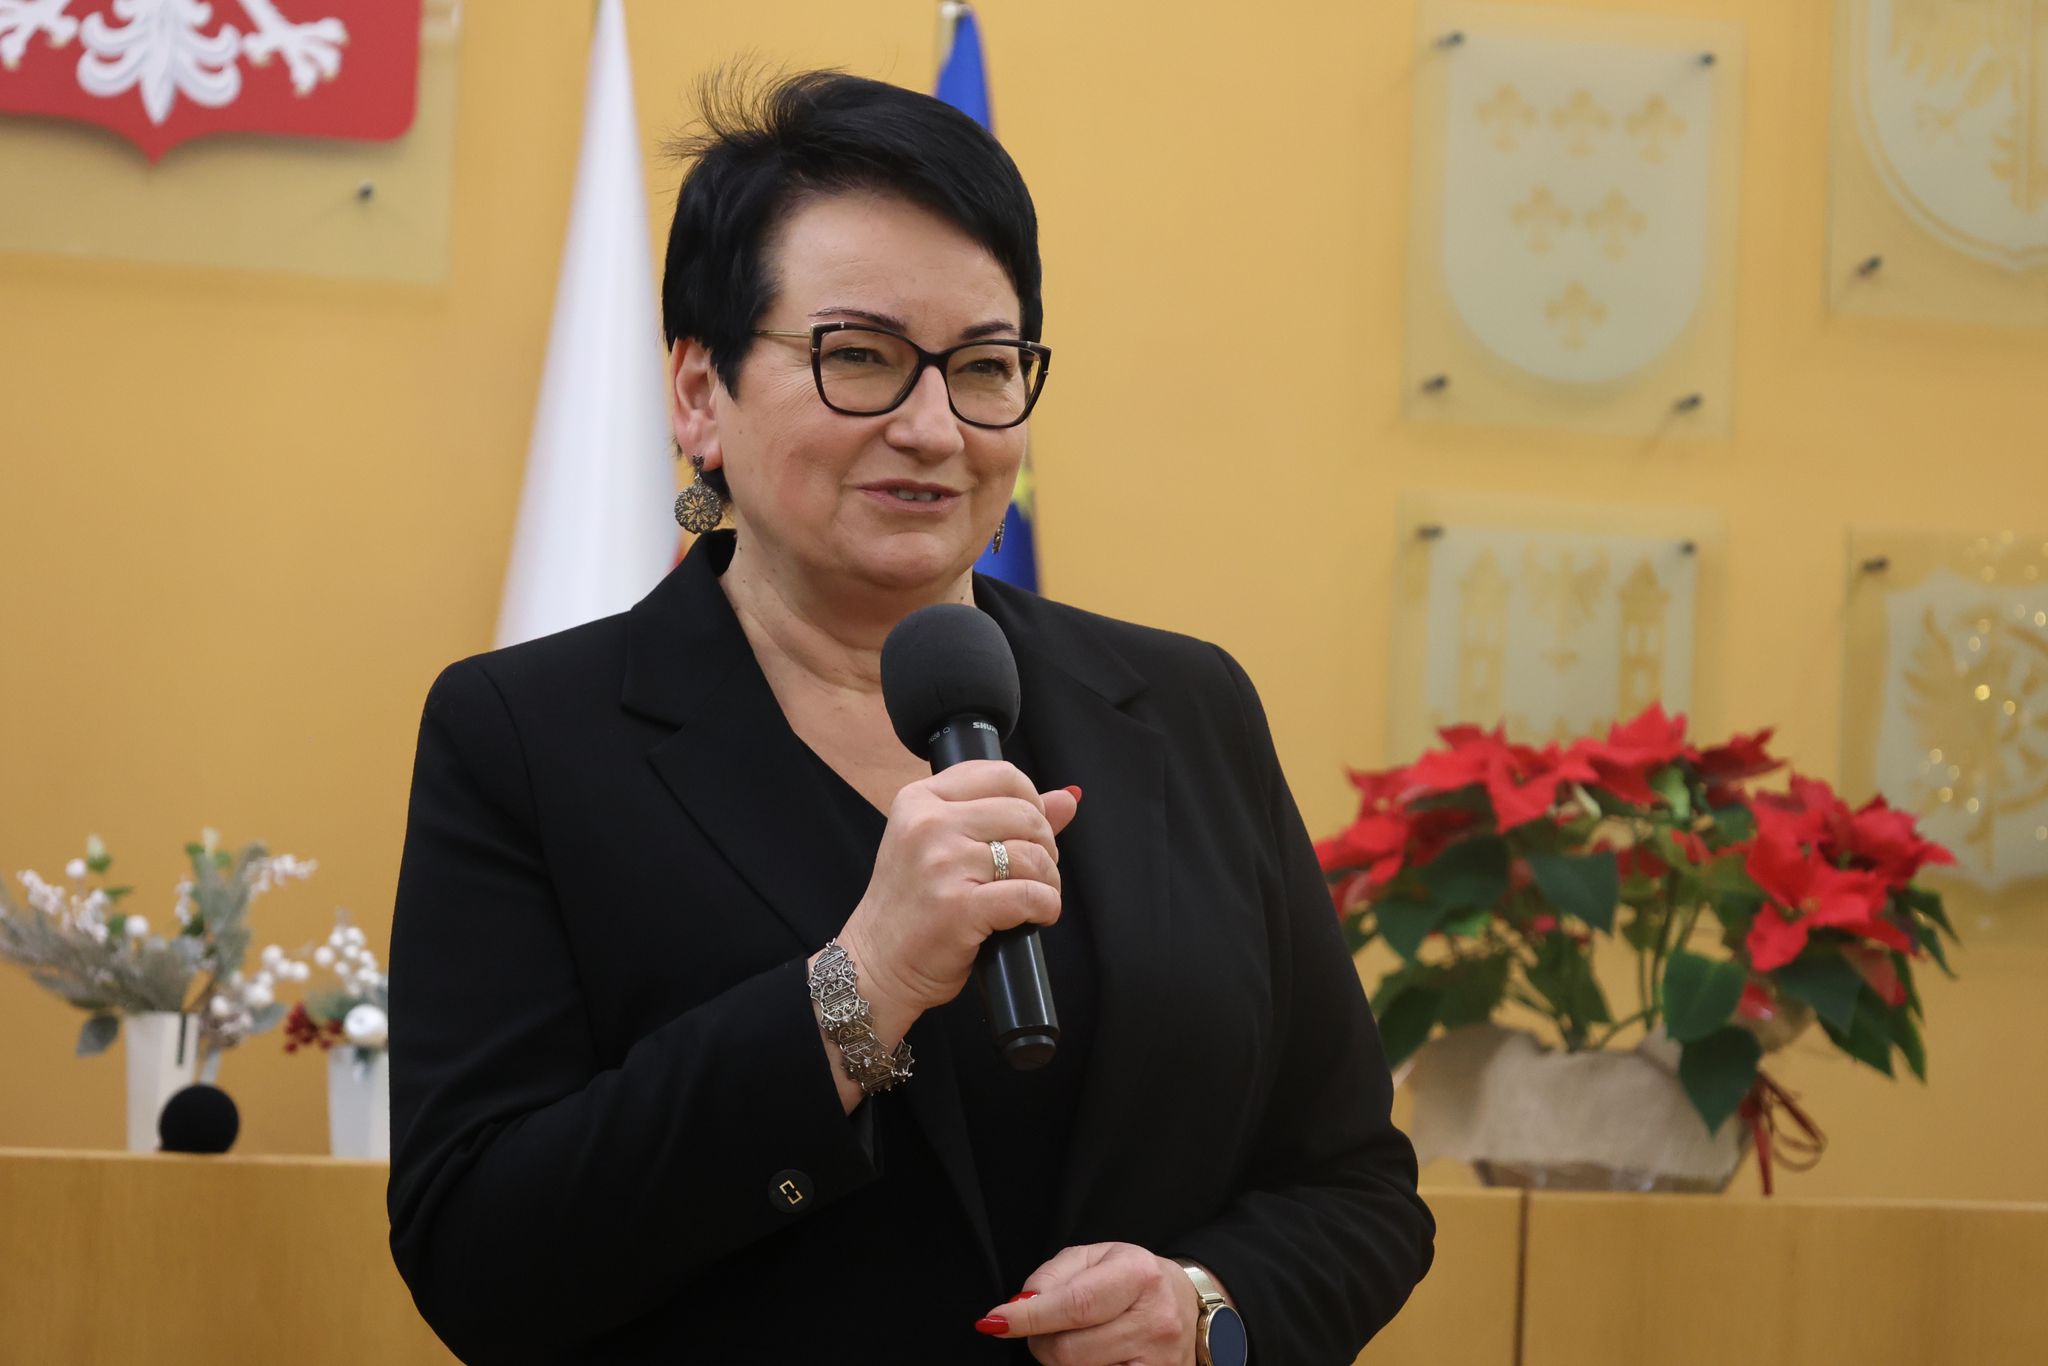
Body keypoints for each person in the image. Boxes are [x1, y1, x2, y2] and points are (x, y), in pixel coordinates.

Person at [386, 70, 1433, 1365]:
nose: (934, 428)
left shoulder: (1185, 709)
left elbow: (1355, 1181)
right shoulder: (527, 739)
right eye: (861, 357)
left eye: (985, 367)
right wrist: (861, 985)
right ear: (701, 392)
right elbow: (477, 1256)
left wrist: (1208, 1306)